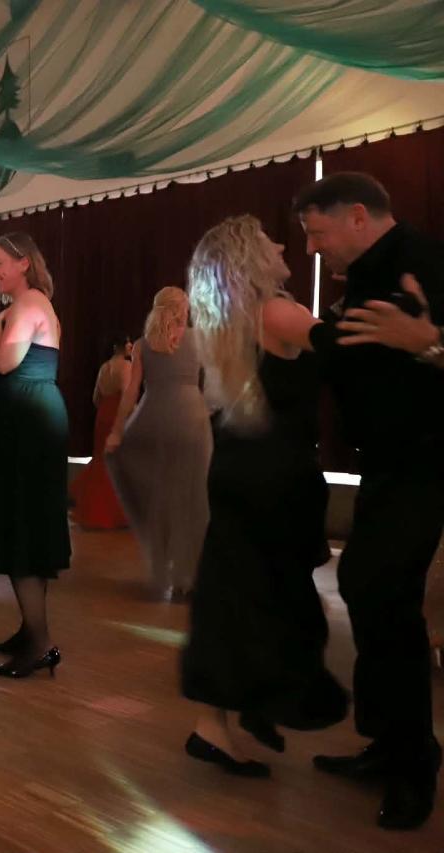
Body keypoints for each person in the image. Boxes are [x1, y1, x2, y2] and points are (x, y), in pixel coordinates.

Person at [295, 172, 444, 831]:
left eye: (317, 232)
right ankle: (390, 744)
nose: (312, 248)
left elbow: (403, 352)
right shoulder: (363, 277)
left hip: (426, 462)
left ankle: (414, 766)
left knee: (380, 589)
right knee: (367, 587)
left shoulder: (425, 262)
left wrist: (429, 343)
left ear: (358, 215)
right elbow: (361, 360)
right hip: (387, 465)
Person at [181, 215, 348, 779]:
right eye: (268, 241)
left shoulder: (223, 321)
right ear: (250, 259)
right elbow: (346, 354)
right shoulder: (278, 313)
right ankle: (264, 699)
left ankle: (216, 723)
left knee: (233, 593)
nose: (281, 245)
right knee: (277, 594)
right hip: (275, 471)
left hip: (235, 466)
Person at [0, 232, 71, 679]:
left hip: (30, 425)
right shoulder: (24, 306)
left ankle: (40, 644)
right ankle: (31, 630)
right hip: (25, 421)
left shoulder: (29, 303)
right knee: (21, 530)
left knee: (23, 530)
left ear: (24, 262)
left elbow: (4, 363)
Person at [106, 287, 211, 600]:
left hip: (153, 419)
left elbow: (131, 393)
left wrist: (117, 431)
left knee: (161, 500)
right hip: (192, 419)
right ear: (184, 309)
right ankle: (189, 578)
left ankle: (167, 567)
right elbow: (213, 384)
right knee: (194, 501)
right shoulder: (199, 339)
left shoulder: (142, 345)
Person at [69, 335, 131, 530]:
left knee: (101, 461)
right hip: (118, 415)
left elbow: (96, 397)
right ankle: (113, 512)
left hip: (103, 414)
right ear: (120, 346)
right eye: (128, 342)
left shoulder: (104, 367)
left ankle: (94, 510)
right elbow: (127, 395)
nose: (130, 345)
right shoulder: (127, 366)